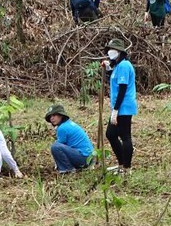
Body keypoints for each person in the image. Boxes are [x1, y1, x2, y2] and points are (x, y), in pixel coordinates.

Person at [102, 38, 136, 173]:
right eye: (109, 50)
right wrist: (109, 68)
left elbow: (122, 88)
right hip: (119, 106)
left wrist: (115, 110)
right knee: (111, 134)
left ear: (120, 52)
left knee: (125, 136)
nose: (110, 52)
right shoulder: (118, 66)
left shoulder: (124, 66)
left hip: (124, 106)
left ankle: (126, 167)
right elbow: (115, 79)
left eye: (113, 50)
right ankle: (122, 163)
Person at [45, 104, 94, 174]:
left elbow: (59, 146)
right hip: (89, 158)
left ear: (61, 115)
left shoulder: (62, 128)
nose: (51, 118)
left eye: (54, 115)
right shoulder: (69, 124)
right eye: (50, 116)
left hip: (84, 158)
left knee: (55, 147)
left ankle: (67, 169)